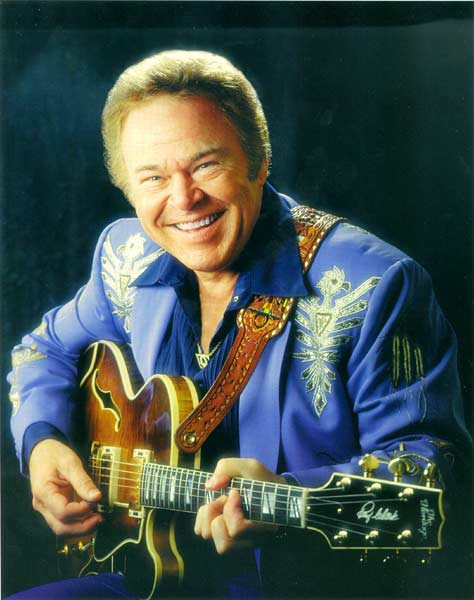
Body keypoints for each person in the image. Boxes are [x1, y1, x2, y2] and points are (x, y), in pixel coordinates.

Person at [7, 50, 471, 599]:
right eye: (153, 178)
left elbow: (436, 483)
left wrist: (290, 497)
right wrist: (41, 442)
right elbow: (42, 351)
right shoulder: (125, 256)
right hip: (150, 577)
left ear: (259, 161)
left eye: (206, 165)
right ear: (128, 189)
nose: (183, 199)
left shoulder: (374, 284)